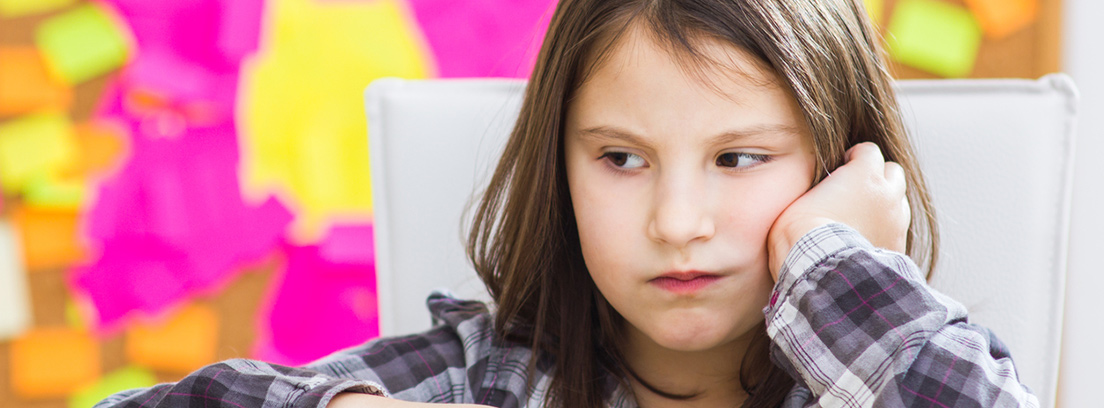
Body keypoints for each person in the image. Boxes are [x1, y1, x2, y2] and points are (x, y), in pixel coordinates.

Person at [96, 0, 1038, 407]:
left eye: (739, 158)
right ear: (563, 168)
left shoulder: (873, 381)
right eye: (622, 159)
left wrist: (831, 265)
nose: (677, 221)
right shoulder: (490, 377)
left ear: (837, 165)